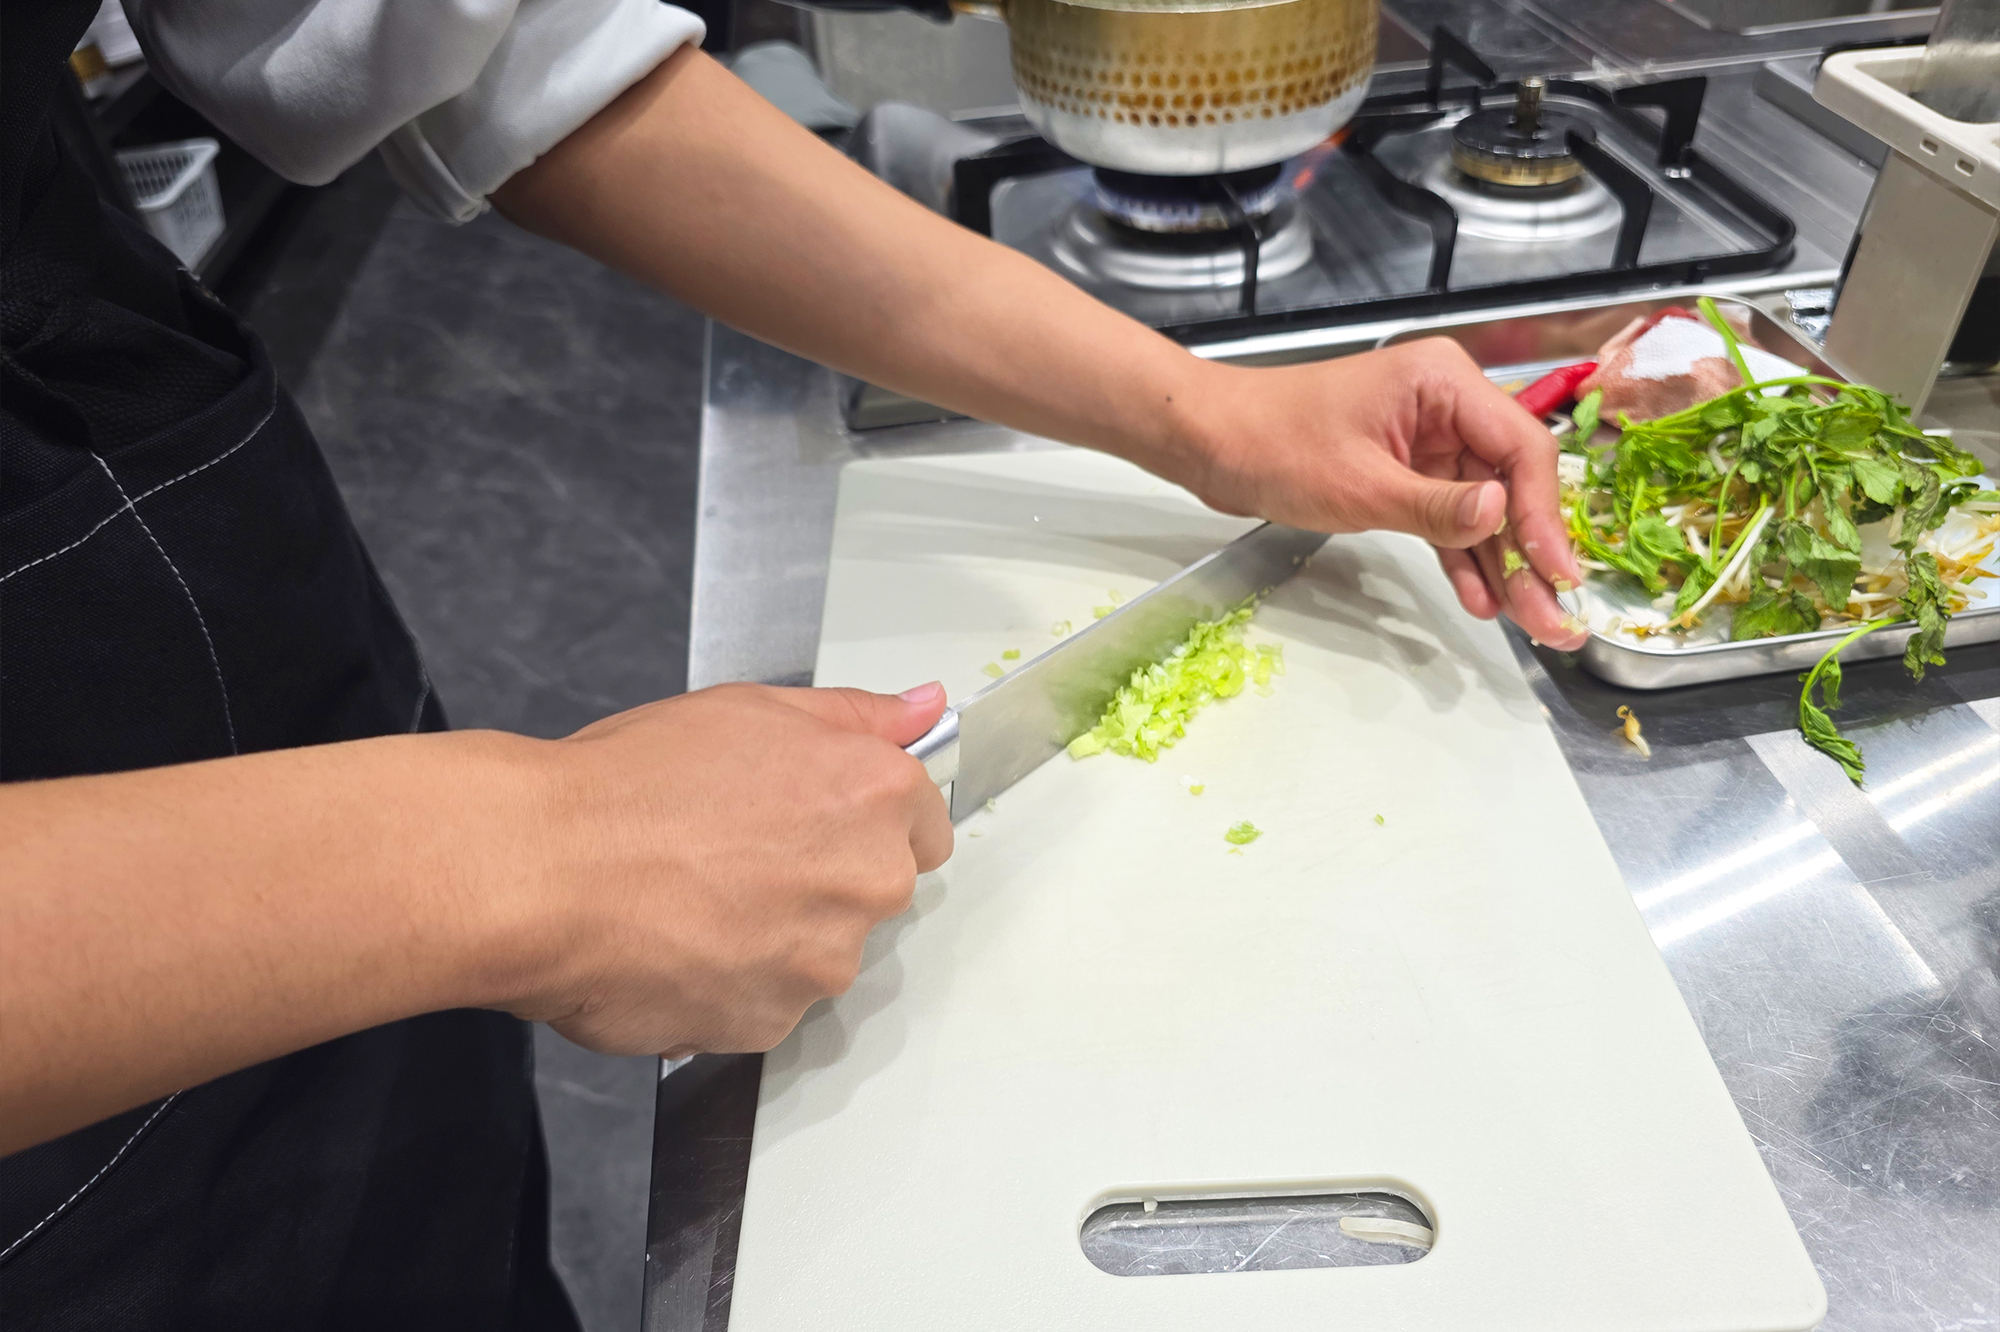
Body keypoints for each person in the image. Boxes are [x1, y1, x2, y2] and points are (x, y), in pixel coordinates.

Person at [0, 0, 1586, 1323]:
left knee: (414, 1225)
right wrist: (516, 854)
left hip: (176, 546)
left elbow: (481, 46)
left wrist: (1204, 416)